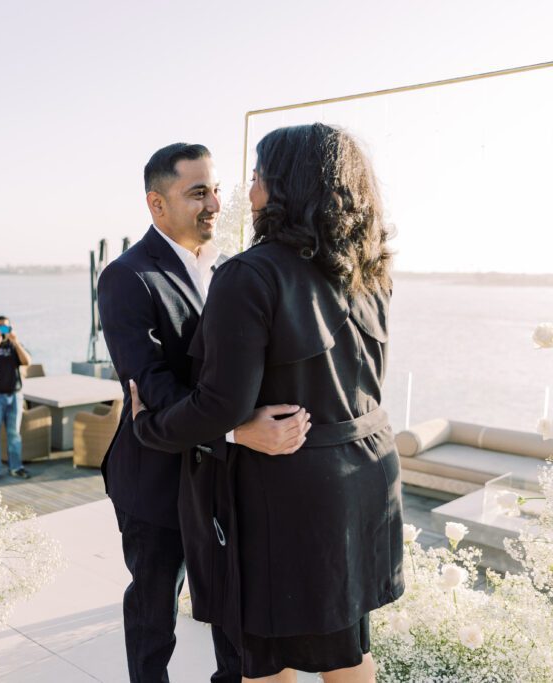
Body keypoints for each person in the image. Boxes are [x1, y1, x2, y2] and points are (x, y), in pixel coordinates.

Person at [131, 124, 403, 682]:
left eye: (256, 178)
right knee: (347, 651)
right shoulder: (368, 267)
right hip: (366, 479)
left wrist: (150, 424)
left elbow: (217, 405)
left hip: (290, 498)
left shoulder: (248, 275)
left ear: (285, 188)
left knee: (267, 660)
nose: (247, 192)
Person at [97, 142, 310, 683]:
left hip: (224, 481)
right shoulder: (127, 277)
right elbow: (154, 389)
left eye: (214, 189)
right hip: (155, 476)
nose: (214, 203)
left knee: (234, 620)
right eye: (197, 193)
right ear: (156, 204)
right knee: (154, 614)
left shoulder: (235, 269)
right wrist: (238, 431)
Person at [0, 315, 32, 480]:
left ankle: (16, 467)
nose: (2, 330)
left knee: (14, 434)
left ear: (11, 327)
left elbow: (27, 362)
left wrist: (16, 342)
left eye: (5, 327)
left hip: (14, 396)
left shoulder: (14, 343)